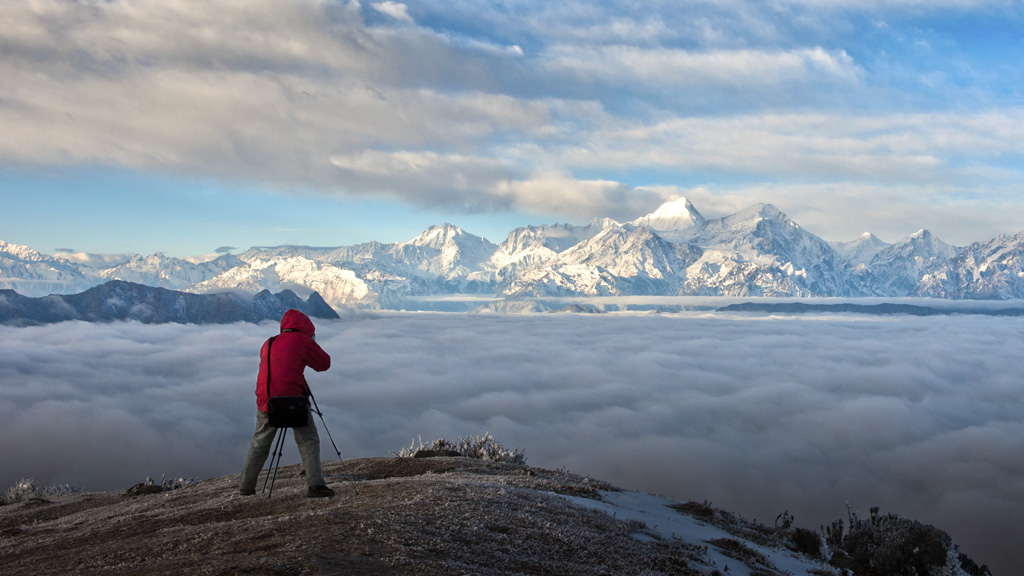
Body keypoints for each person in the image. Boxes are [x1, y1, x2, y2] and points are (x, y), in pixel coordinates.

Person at [239, 309, 334, 498]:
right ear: (306, 328)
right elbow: (324, 364)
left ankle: (246, 487)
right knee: (308, 439)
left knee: (259, 443)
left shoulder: (269, 342)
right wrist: (311, 346)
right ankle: (315, 484)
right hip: (295, 400)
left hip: (267, 401)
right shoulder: (304, 342)